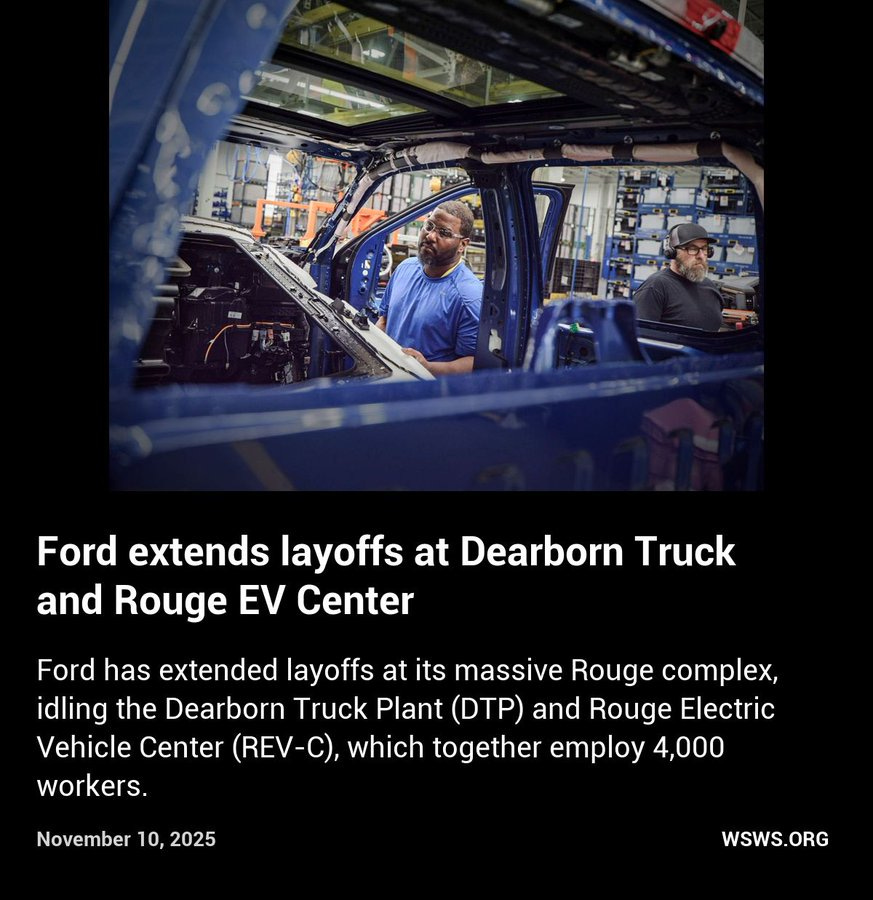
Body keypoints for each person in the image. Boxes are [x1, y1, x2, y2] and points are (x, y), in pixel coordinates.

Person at [376, 201, 482, 375]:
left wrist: (426, 368)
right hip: (388, 378)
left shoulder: (469, 297)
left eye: (444, 233)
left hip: (426, 393)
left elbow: (473, 363)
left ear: (462, 245)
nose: (431, 236)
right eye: (429, 225)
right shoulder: (405, 268)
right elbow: (384, 319)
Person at [633, 223, 724, 330]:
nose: (701, 256)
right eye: (693, 249)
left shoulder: (710, 287)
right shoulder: (656, 287)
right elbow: (638, 337)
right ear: (672, 252)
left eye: (704, 249)